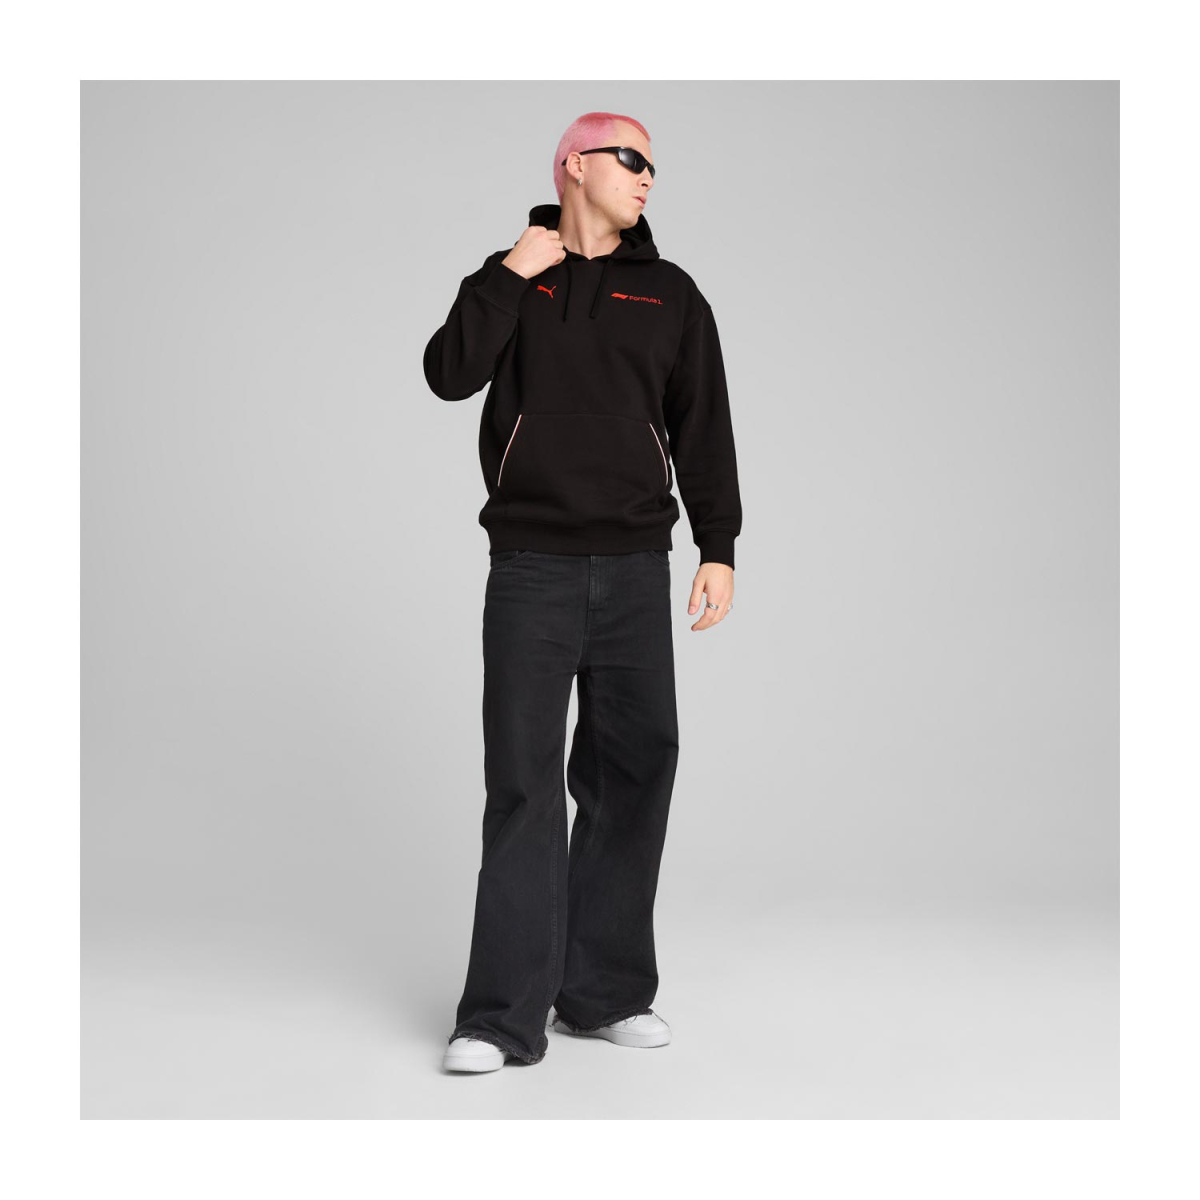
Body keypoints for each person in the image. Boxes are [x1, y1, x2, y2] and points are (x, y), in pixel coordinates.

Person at [423, 111, 742, 1072]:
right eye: (631, 158)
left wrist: (717, 545)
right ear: (575, 164)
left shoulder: (671, 293)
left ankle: (603, 996)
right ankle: (497, 1020)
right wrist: (510, 274)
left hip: (639, 568)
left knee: (633, 774)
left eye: (654, 166)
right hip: (533, 566)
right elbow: (448, 375)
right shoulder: (512, 276)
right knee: (524, 786)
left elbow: (703, 423)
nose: (647, 177)